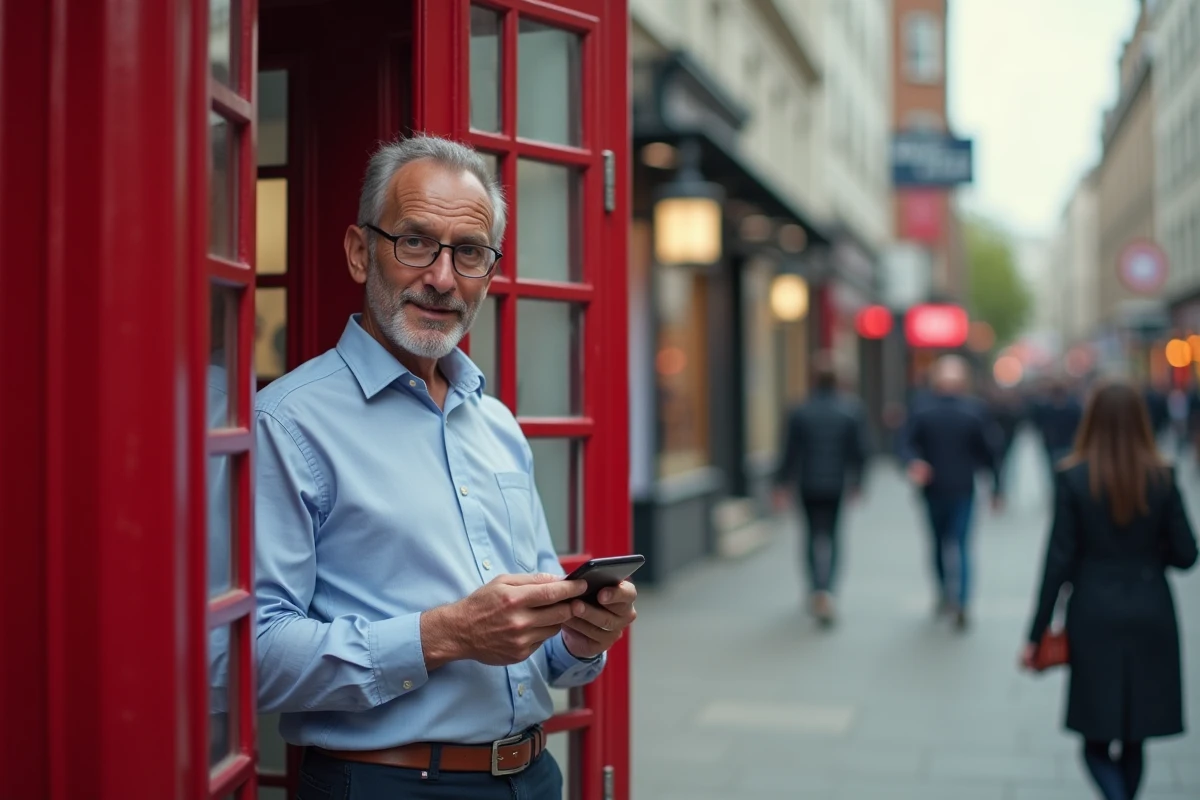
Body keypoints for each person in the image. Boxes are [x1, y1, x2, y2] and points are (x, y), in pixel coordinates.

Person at [253, 135, 637, 800]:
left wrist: (581, 633)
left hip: (536, 779)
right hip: (384, 784)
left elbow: (549, 657)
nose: (441, 277)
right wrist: (441, 636)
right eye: (414, 242)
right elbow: (245, 655)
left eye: (468, 253)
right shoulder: (288, 423)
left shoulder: (498, 425)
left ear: (489, 272)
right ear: (357, 251)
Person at [1021, 381, 1197, 800]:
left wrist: (1036, 633)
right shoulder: (1163, 476)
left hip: (1093, 611)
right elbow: (1187, 554)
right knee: (1136, 733)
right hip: (1151, 606)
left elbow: (1057, 562)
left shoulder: (1073, 477)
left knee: (1095, 732)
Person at [899, 355, 1003, 630]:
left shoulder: (923, 408)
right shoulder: (973, 410)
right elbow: (990, 451)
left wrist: (913, 462)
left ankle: (948, 594)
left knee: (940, 543)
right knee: (960, 545)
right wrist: (996, 486)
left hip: (938, 488)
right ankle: (960, 599)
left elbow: (905, 444)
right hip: (960, 488)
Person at [772, 355, 869, 626]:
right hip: (836, 484)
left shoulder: (800, 410)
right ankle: (828, 590)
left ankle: (816, 587)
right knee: (834, 536)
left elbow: (788, 452)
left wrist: (781, 484)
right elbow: (860, 451)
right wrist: (859, 482)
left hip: (808, 483)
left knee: (811, 536)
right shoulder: (850, 410)